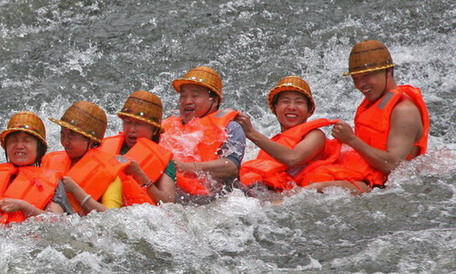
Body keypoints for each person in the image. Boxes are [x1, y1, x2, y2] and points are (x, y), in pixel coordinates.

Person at [303, 40, 430, 193]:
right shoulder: (375, 101)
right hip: (364, 173)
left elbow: (392, 165)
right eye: (355, 79)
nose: (361, 85)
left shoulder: (404, 111)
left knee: (313, 190)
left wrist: (351, 139)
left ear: (388, 71)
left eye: (367, 76)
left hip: (381, 187)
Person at [235, 76, 340, 192]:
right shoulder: (271, 145)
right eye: (285, 101)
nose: (291, 107)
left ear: (309, 111)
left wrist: (250, 133)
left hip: (298, 198)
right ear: (275, 108)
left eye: (299, 102)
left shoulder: (315, 135)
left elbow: (293, 158)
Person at [161, 66, 246, 202]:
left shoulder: (231, 128)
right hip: (171, 195)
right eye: (183, 96)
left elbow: (231, 167)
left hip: (211, 201)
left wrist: (188, 167)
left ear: (215, 100)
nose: (187, 101)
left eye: (195, 95)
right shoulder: (165, 127)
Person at [0, 111, 69, 222]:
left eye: (26, 141)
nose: (19, 146)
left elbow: (56, 221)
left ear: (39, 148)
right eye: (13, 141)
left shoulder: (53, 182)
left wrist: (25, 207)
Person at [41, 101, 130, 215]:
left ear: (91, 140)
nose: (65, 142)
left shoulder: (110, 174)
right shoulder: (50, 161)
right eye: (62, 134)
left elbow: (113, 216)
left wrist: (76, 191)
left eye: (72, 135)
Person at [99, 90, 176, 205]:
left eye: (139, 123)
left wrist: (140, 176)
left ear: (154, 130)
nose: (131, 129)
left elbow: (168, 203)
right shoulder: (104, 147)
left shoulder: (165, 162)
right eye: (127, 122)